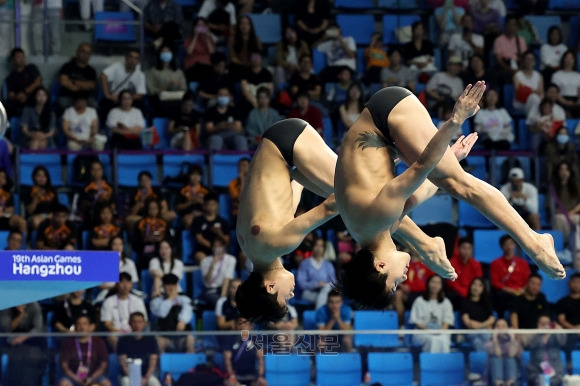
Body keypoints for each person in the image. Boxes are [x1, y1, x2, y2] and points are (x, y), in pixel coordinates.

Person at [335, 81, 565, 310]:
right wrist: (449, 159)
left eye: (394, 284)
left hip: (387, 114)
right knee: (447, 178)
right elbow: (419, 190)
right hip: (384, 129)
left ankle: (535, 243)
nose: (403, 280)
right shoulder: (372, 231)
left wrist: (457, 119)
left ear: (380, 266)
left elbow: (421, 167)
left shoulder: (377, 220)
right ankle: (533, 241)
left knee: (459, 184)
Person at [0, 302, 47, 386]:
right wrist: (21, 315)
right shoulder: (6, 307)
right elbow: (6, 329)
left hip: (31, 344)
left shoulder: (34, 306)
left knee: (29, 369)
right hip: (10, 345)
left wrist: (22, 337)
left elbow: (38, 328)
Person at [58, 315, 111, 386]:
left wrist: (91, 378)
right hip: (73, 377)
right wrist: (76, 379)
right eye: (79, 324)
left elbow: (103, 365)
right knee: (64, 384)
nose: (81, 327)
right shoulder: (68, 343)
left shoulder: (98, 342)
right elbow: (64, 366)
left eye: (84, 324)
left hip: (94, 376)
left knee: (106, 384)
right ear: (76, 327)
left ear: (90, 326)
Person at [100, 272, 148, 351]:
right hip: (117, 333)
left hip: (135, 332)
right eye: (122, 282)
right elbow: (107, 323)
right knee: (112, 338)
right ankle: (120, 360)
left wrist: (134, 331)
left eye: (127, 282)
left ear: (131, 284)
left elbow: (144, 321)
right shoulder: (109, 301)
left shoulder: (138, 301)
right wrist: (119, 332)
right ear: (116, 284)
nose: (125, 285)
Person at [150, 273, 195, 353]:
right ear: (163, 286)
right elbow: (162, 313)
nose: (171, 288)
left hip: (181, 334)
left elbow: (188, 308)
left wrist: (182, 321)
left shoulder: (184, 299)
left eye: (173, 285)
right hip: (164, 335)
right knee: (159, 343)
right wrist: (171, 298)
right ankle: (162, 365)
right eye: (168, 285)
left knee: (190, 341)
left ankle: (190, 365)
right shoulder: (156, 301)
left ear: (176, 286)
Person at [410, 275, 454, 353]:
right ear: (428, 284)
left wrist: (439, 332)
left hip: (440, 332)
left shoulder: (446, 302)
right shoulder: (419, 301)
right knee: (432, 340)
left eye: (438, 283)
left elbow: (447, 321)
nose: (435, 285)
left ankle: (445, 363)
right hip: (422, 333)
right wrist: (430, 331)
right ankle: (431, 363)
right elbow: (417, 322)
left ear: (441, 286)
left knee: (443, 339)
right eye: (433, 282)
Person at [490, 234, 531, 318]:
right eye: (506, 244)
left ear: (514, 245)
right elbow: (495, 282)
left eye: (511, 244)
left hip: (520, 292)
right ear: (501, 247)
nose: (509, 247)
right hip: (504, 293)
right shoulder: (495, 263)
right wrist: (510, 290)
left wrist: (522, 290)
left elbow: (527, 280)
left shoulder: (523, 263)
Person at [394, 247, 435, 327]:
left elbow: (433, 280)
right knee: (398, 294)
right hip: (409, 294)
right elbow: (394, 277)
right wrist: (402, 286)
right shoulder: (405, 263)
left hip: (424, 294)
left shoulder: (427, 263)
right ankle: (401, 325)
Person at [99, 50, 146, 119]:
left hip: (130, 100)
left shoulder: (141, 75)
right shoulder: (117, 66)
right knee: (105, 105)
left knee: (142, 107)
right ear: (126, 58)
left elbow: (140, 94)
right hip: (115, 98)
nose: (133, 60)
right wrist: (107, 95)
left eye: (136, 58)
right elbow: (103, 75)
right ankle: (104, 127)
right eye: (131, 57)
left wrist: (126, 99)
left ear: (138, 61)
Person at [117, 312, 161, 386]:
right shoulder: (123, 340)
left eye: (139, 322)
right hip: (128, 376)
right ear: (129, 323)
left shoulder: (151, 340)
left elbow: (153, 362)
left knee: (154, 383)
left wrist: (146, 378)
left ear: (144, 323)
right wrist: (135, 378)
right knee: (126, 382)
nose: (137, 325)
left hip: (146, 375)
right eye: (134, 322)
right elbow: (123, 364)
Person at [146, 46, 187, 117]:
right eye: (163, 52)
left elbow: (185, 88)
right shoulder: (153, 71)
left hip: (177, 97)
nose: (166, 53)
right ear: (159, 54)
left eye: (168, 51)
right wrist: (161, 89)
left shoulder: (178, 72)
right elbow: (150, 89)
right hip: (161, 98)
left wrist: (178, 84)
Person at [526, 315, 566, 386]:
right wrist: (537, 331)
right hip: (536, 368)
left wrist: (560, 331)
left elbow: (563, 342)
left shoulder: (555, 335)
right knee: (538, 382)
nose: (545, 325)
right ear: (538, 324)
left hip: (554, 368)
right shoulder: (534, 336)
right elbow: (529, 344)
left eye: (547, 323)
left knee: (554, 381)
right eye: (542, 323)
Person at [296, 237, 336, 309]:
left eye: (321, 246)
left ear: (324, 248)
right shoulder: (305, 264)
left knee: (325, 292)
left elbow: (334, 282)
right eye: (316, 245)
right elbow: (301, 283)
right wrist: (316, 284)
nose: (318, 248)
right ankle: (320, 316)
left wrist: (325, 284)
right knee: (327, 299)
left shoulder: (328, 265)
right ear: (312, 247)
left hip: (325, 291)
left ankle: (318, 316)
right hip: (308, 293)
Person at [204, 86, 248, 151]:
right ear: (217, 97)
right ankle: (214, 160)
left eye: (225, 95)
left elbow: (239, 128)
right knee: (216, 140)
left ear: (229, 97)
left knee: (240, 139)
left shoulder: (234, 110)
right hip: (217, 135)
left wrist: (229, 126)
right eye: (220, 95)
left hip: (232, 135)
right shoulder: (211, 111)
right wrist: (219, 127)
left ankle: (243, 159)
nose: (223, 97)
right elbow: (209, 129)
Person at [191, 194, 230, 264]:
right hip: (203, 250)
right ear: (204, 206)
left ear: (217, 205)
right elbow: (199, 238)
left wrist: (219, 233)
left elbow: (227, 241)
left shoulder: (223, 222)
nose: (211, 207)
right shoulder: (198, 220)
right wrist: (213, 247)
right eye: (209, 205)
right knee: (200, 257)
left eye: (213, 205)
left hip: (220, 250)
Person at [58, 43, 98, 111]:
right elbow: (65, 83)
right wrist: (83, 85)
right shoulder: (67, 67)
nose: (85, 55)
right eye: (83, 52)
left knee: (94, 104)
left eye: (88, 53)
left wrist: (74, 82)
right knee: (63, 103)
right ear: (77, 52)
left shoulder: (91, 71)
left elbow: (92, 85)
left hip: (85, 98)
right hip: (69, 97)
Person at [550, 161, 580, 251]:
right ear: (558, 172)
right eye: (562, 169)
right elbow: (551, 205)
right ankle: (564, 245)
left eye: (566, 169)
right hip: (560, 214)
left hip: (574, 213)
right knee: (560, 218)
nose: (564, 172)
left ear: (570, 172)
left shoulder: (577, 185)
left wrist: (573, 211)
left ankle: (576, 248)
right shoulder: (553, 187)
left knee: (576, 220)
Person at [4, 48, 42, 119]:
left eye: (22, 56)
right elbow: (11, 95)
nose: (21, 59)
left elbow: (38, 82)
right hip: (20, 100)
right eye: (18, 56)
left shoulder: (31, 68)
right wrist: (19, 97)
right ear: (12, 59)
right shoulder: (11, 77)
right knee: (5, 105)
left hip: (33, 97)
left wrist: (25, 92)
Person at [133, 199, 168, 272]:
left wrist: (160, 239)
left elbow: (167, 238)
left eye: (155, 208)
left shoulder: (164, 223)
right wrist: (145, 239)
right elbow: (135, 242)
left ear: (159, 209)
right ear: (147, 209)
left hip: (161, 249)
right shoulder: (140, 223)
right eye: (150, 208)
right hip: (145, 250)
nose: (153, 211)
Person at [447, 238, 483, 308]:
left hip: (471, 291)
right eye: (464, 248)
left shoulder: (476, 264)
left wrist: (470, 292)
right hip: (457, 293)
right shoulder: (451, 262)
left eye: (469, 248)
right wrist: (465, 293)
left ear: (472, 250)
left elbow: (478, 281)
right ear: (458, 248)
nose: (466, 251)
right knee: (452, 295)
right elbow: (451, 282)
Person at [200, 238, 236, 306]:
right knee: (222, 303)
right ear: (212, 248)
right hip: (211, 291)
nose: (217, 249)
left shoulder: (231, 259)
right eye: (215, 246)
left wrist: (223, 297)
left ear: (224, 247)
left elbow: (227, 278)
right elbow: (207, 281)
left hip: (226, 290)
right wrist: (212, 265)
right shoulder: (205, 261)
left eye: (220, 246)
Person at [461, 277, 495, 351]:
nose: (476, 287)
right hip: (471, 331)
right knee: (477, 342)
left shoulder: (486, 303)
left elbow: (491, 319)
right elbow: (467, 321)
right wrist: (474, 325)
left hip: (484, 330)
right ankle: (483, 360)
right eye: (474, 284)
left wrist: (480, 325)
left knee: (487, 337)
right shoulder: (465, 303)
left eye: (479, 285)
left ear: (483, 289)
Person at [493, 16, 527, 85]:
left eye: (514, 24)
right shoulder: (499, 40)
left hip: (518, 65)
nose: (512, 27)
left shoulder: (521, 40)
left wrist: (520, 68)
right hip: (505, 66)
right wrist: (509, 69)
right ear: (505, 25)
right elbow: (499, 60)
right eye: (510, 24)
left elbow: (524, 57)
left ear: (517, 27)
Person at [227, 15, 262, 81]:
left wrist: (251, 63)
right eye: (242, 23)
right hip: (237, 66)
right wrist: (243, 63)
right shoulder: (232, 39)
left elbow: (257, 56)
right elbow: (232, 57)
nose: (244, 26)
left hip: (251, 66)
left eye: (246, 24)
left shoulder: (256, 40)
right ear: (239, 26)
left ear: (250, 26)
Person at [488, 318, 521, 386]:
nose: (500, 328)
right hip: (494, 370)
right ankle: (499, 382)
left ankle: (511, 382)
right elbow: (498, 353)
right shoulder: (490, 342)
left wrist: (512, 338)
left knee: (510, 359)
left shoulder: (513, 341)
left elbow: (511, 354)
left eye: (503, 326)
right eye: (498, 326)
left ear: (508, 328)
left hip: (509, 368)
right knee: (496, 359)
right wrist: (495, 339)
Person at [24, 165, 58, 230]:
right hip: (35, 217)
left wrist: (52, 215)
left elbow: (57, 207)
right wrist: (36, 198)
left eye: (44, 176)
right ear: (34, 177)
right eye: (39, 176)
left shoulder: (52, 191)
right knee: (36, 221)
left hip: (50, 216)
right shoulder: (28, 192)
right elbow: (29, 212)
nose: (42, 178)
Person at [175, 164, 209, 228]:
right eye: (193, 174)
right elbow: (178, 208)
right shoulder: (182, 190)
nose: (195, 177)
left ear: (201, 176)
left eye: (198, 175)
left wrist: (201, 202)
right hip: (187, 215)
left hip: (203, 214)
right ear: (189, 176)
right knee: (189, 220)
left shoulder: (206, 191)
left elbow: (212, 206)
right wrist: (190, 202)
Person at [183, 17, 215, 83]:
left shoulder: (209, 39)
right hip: (193, 66)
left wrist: (207, 38)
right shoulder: (190, 39)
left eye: (203, 25)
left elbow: (212, 52)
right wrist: (195, 37)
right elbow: (189, 52)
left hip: (206, 66)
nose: (201, 27)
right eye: (198, 25)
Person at [513, 50, 544, 115]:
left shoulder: (539, 76)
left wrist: (528, 90)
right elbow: (519, 92)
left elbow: (541, 93)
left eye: (532, 60)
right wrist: (533, 91)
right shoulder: (517, 75)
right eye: (527, 59)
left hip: (536, 103)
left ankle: (532, 121)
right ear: (523, 62)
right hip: (521, 104)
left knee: (535, 99)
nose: (530, 62)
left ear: (535, 62)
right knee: (534, 97)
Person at [551, 51, 580, 118]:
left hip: (575, 100)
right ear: (563, 59)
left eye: (571, 58)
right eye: (567, 58)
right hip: (561, 99)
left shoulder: (578, 76)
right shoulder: (556, 75)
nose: (569, 60)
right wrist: (565, 102)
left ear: (574, 61)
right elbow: (555, 92)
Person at [556, 272, 580, 349]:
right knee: (569, 340)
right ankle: (568, 360)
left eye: (579, 282)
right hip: (569, 332)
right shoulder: (562, 302)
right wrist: (574, 330)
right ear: (568, 283)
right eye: (574, 281)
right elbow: (562, 320)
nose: (576, 285)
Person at [0, 169, 27, 234]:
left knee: (21, 221)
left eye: (3, 177)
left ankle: (23, 243)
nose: (0, 179)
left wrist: (2, 210)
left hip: (5, 218)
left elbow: (11, 209)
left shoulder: (7, 194)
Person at [228, 157, 249, 224]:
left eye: (244, 165)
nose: (241, 168)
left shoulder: (255, 183)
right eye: (239, 165)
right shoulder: (232, 184)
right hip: (238, 214)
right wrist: (242, 180)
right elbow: (240, 199)